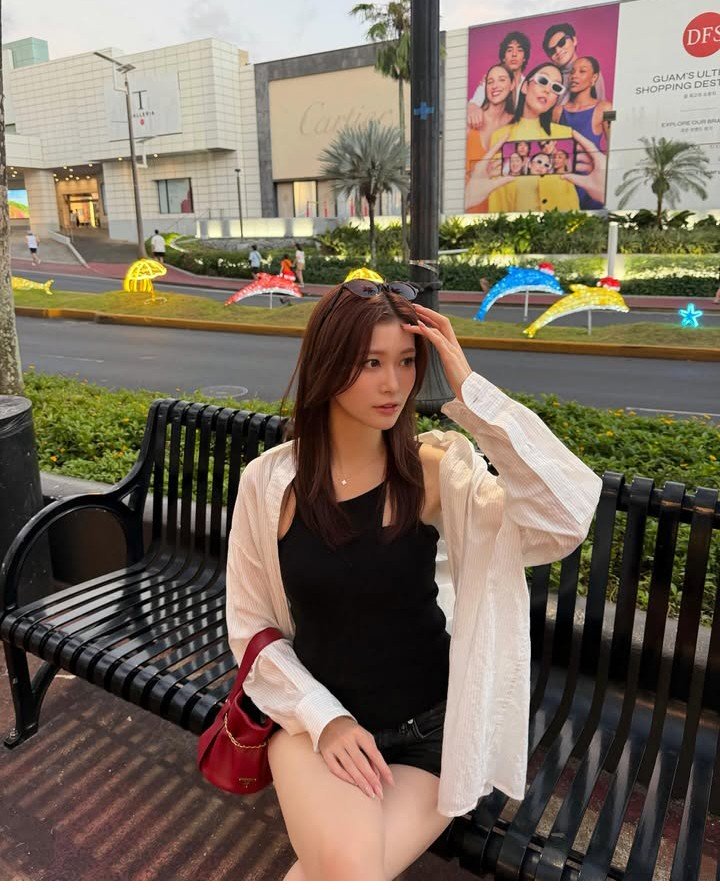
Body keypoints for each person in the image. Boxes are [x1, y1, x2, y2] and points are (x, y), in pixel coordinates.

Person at [225, 279, 601, 880]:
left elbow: (561, 520)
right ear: (327, 364)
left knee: (336, 876)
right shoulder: (270, 485)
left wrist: (471, 390)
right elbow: (251, 627)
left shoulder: (432, 474)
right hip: (313, 723)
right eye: (371, 362)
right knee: (347, 873)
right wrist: (327, 718)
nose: (394, 384)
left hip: (432, 731)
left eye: (406, 361)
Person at [484, 63, 581, 212]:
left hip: (557, 224)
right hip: (515, 225)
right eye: (543, 80)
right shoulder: (500, 137)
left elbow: (570, 196)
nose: (547, 90)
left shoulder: (565, 135)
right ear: (525, 87)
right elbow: (497, 197)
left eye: (556, 87)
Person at [555, 56, 612, 208]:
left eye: (582, 71)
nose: (574, 76)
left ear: (594, 78)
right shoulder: (558, 111)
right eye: (572, 72)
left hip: (592, 185)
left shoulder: (605, 108)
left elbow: (614, 147)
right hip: (563, 183)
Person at [465, 64, 516, 211]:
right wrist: (471, 106)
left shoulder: (516, 124)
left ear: (512, 85)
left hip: (504, 212)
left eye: (502, 80)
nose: (495, 86)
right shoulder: (470, 119)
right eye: (490, 82)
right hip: (469, 211)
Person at [468, 30, 530, 121]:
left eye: (519, 50)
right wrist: (473, 108)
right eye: (509, 50)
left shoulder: (529, 85)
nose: (514, 54)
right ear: (503, 58)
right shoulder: (491, 80)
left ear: (524, 58)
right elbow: (474, 103)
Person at [542, 22, 607, 105]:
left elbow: (602, 104)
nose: (558, 51)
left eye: (561, 43)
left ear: (574, 40)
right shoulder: (550, 76)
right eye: (552, 50)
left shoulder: (589, 70)